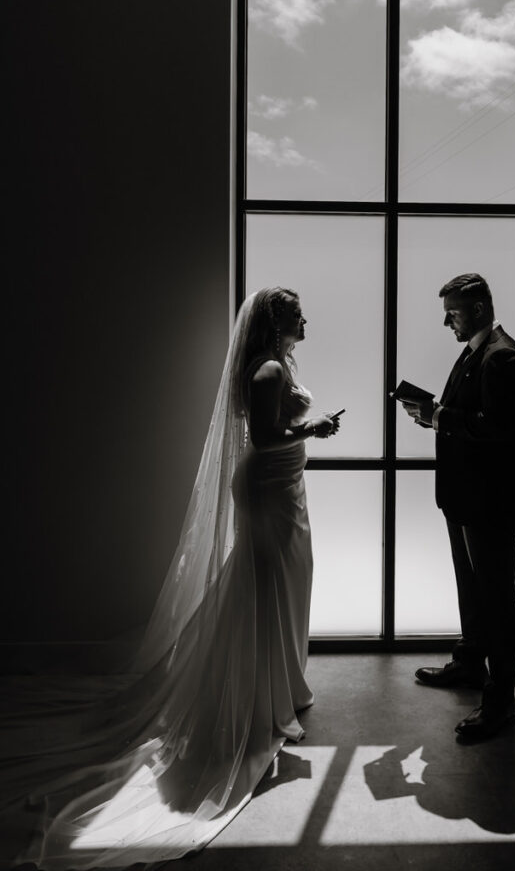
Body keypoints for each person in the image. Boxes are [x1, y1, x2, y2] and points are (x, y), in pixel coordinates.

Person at [0, 287, 341, 867]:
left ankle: (280, 684)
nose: (305, 318)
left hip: (285, 490)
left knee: (282, 585)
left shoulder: (278, 365)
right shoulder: (265, 370)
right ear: (275, 321)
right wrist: (316, 431)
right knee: (262, 588)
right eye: (296, 313)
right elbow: (262, 439)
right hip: (268, 492)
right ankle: (256, 696)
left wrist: (305, 438)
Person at [401, 273, 515, 741]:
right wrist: (436, 415)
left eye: (452, 313)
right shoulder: (476, 352)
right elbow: (471, 419)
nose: (445, 322)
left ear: (478, 309)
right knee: (473, 591)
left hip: (490, 503)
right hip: (465, 498)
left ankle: (500, 704)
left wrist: (440, 417)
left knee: (497, 599)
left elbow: (497, 429)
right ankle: (470, 666)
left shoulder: (505, 359)